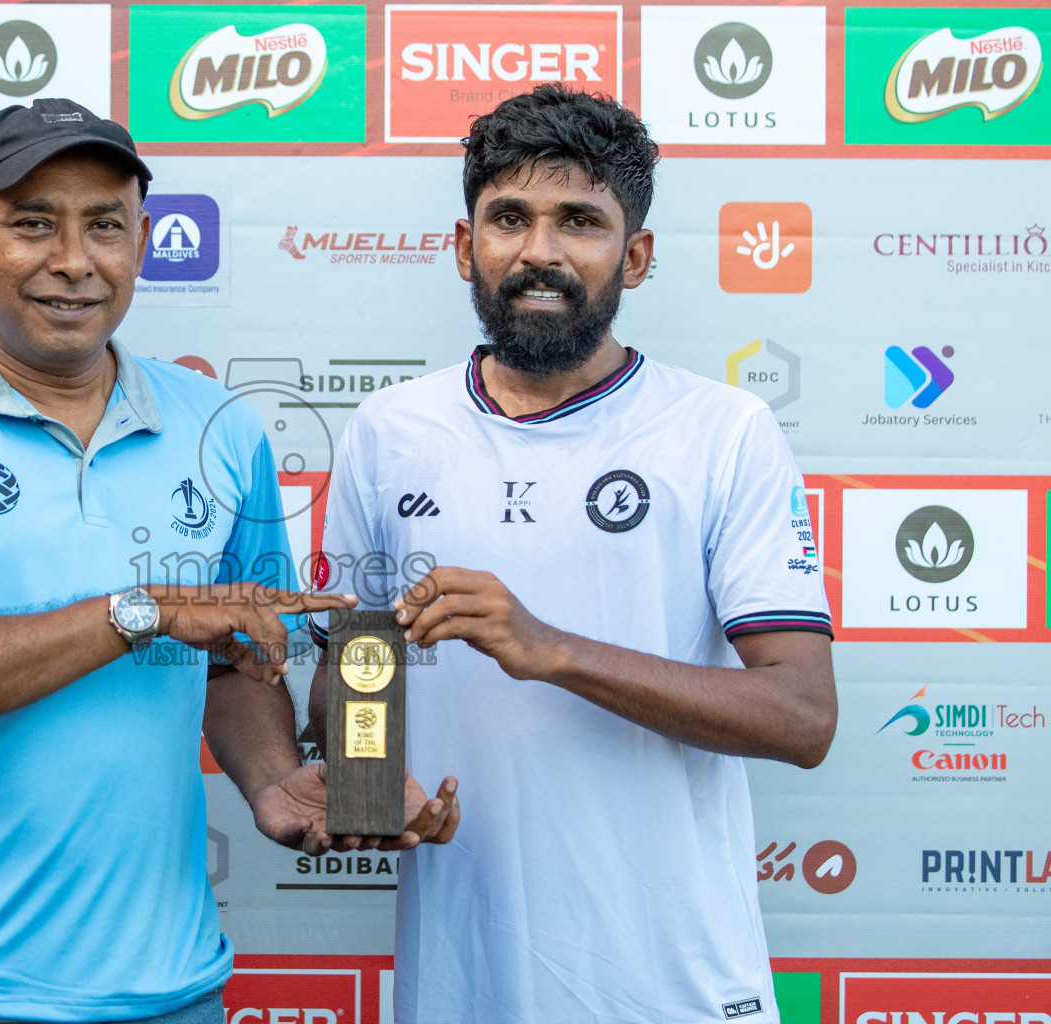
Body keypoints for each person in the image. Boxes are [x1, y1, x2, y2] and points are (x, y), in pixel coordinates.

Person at [0, 98, 457, 1024]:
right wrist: (144, 608)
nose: (73, 261)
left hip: (169, 989)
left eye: (105, 225)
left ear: (142, 241)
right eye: (31, 224)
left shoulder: (220, 426)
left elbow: (239, 659)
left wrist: (272, 784)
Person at [308, 84, 837, 1023]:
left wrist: (552, 649)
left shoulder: (723, 431)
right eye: (509, 216)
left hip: (669, 986)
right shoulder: (388, 429)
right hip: (458, 987)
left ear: (633, 257)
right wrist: (365, 781)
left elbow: (801, 717)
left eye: (579, 222)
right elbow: (356, 664)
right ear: (465, 245)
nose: (540, 252)